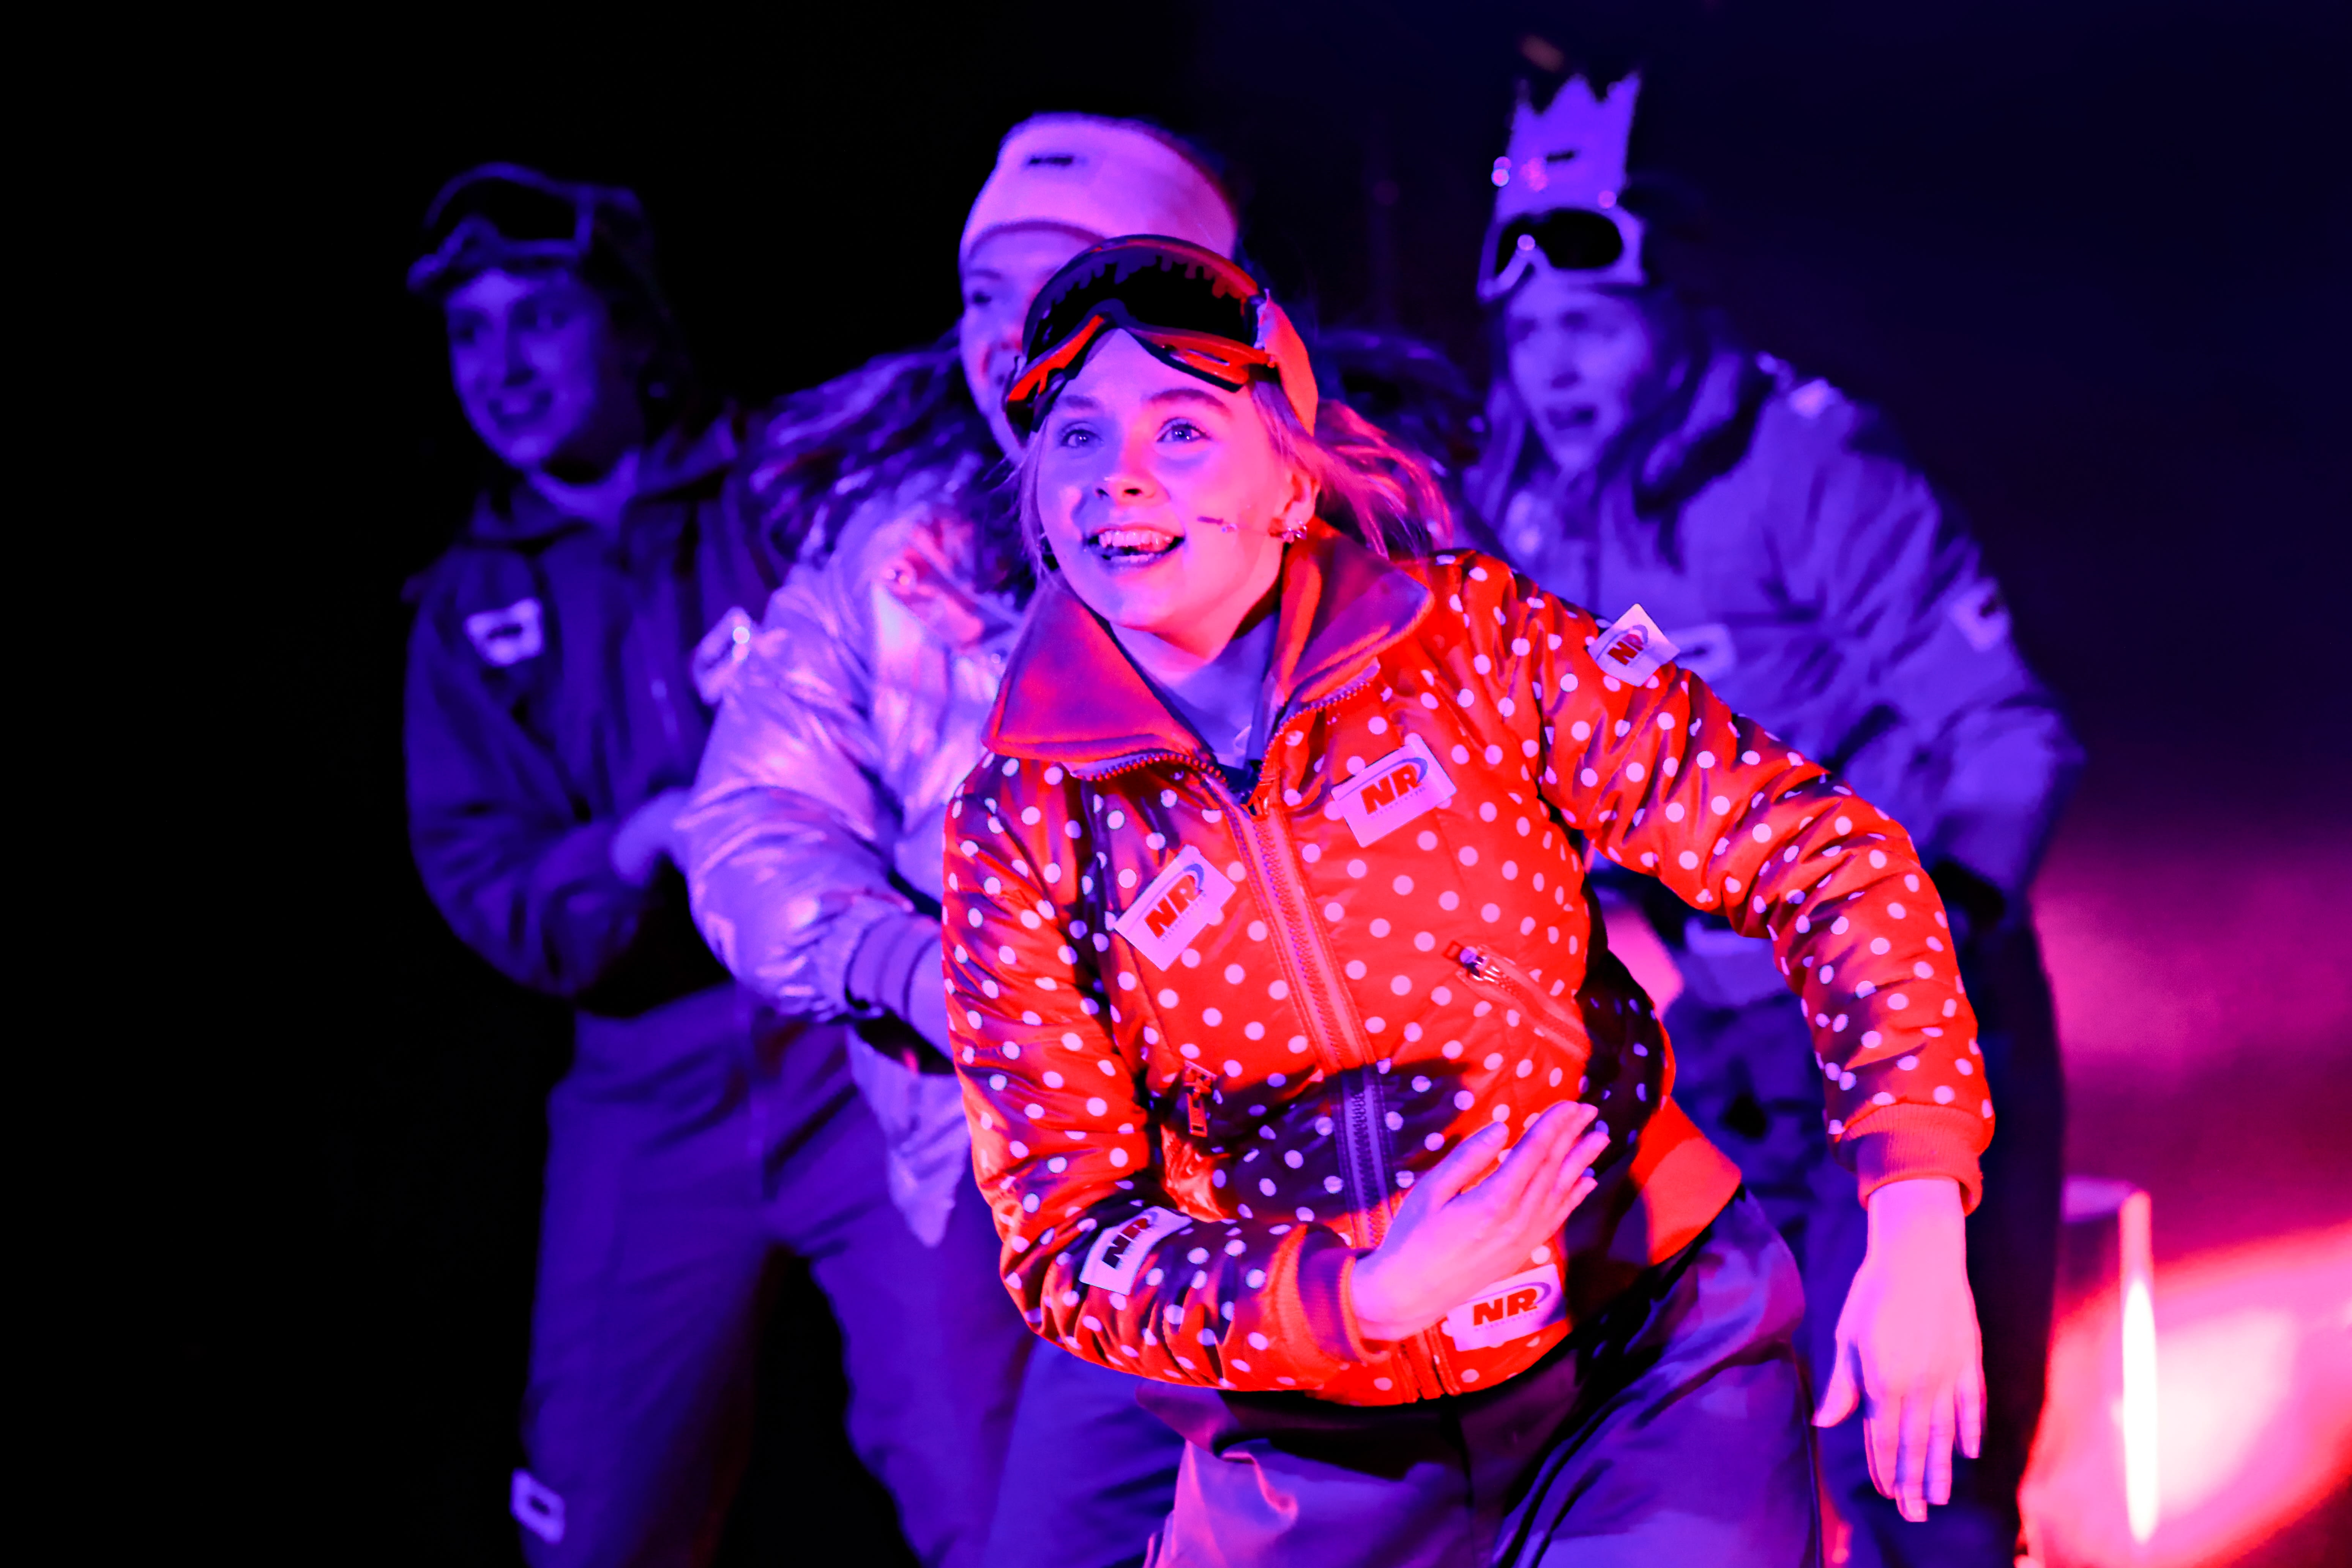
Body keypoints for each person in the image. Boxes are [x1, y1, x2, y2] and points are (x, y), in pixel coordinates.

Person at [941, 233, 1994, 1565]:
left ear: (1290, 480)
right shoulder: (1018, 821)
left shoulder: (1471, 646)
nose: (1120, 475)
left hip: (1641, 1370)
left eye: (1184, 428)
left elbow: (1825, 854)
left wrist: (1913, 1212)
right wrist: (1356, 1298)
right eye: (1077, 436)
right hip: (1308, 1452)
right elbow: (1065, 1238)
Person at [1467, 74, 2079, 1566]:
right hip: (1695, 1052)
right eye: (1530, 332)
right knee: (1686, 1468)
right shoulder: (1511, 502)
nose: (1555, 369)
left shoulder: (1808, 466)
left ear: (1678, 307)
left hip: (1893, 1026)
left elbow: (2005, 736)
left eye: (1592, 323)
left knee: (1911, 1465)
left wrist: (1916, 953)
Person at [402, 164, 1025, 1568]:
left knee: (989, 1477)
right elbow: (488, 878)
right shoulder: (468, 604)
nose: (501, 365)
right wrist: (638, 840)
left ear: (629, 323)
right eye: (467, 332)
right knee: (601, 1519)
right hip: (648, 1092)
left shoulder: (787, 492)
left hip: (861, 1061)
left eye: (539, 316)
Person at [681, 116, 1240, 1568]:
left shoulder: (1304, 538)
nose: (1005, 334)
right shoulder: (890, 559)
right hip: (979, 1154)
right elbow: (748, 818)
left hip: (1263, 1171)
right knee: (994, 1521)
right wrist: (915, 971)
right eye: (984, 292)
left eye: (1056, 288)